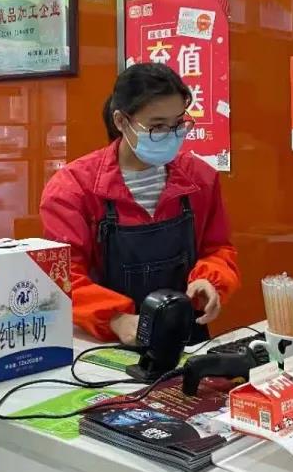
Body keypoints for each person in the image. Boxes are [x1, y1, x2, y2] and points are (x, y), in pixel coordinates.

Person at [40, 63, 240, 344]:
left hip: (184, 334)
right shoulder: (73, 189)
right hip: (104, 341)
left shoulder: (200, 178)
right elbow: (64, 276)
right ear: (121, 122)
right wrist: (115, 318)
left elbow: (217, 248)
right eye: (157, 126)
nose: (171, 135)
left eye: (178, 124)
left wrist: (210, 280)